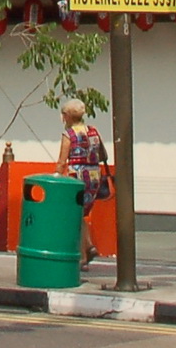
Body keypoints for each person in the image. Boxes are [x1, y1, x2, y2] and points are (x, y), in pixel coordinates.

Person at [60, 97, 109, 265]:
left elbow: (62, 161)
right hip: (94, 176)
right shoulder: (93, 131)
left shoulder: (69, 134)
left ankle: (82, 256)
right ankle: (88, 246)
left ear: (67, 116)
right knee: (81, 214)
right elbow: (103, 155)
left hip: (77, 176)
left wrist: (56, 176)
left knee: (74, 215)